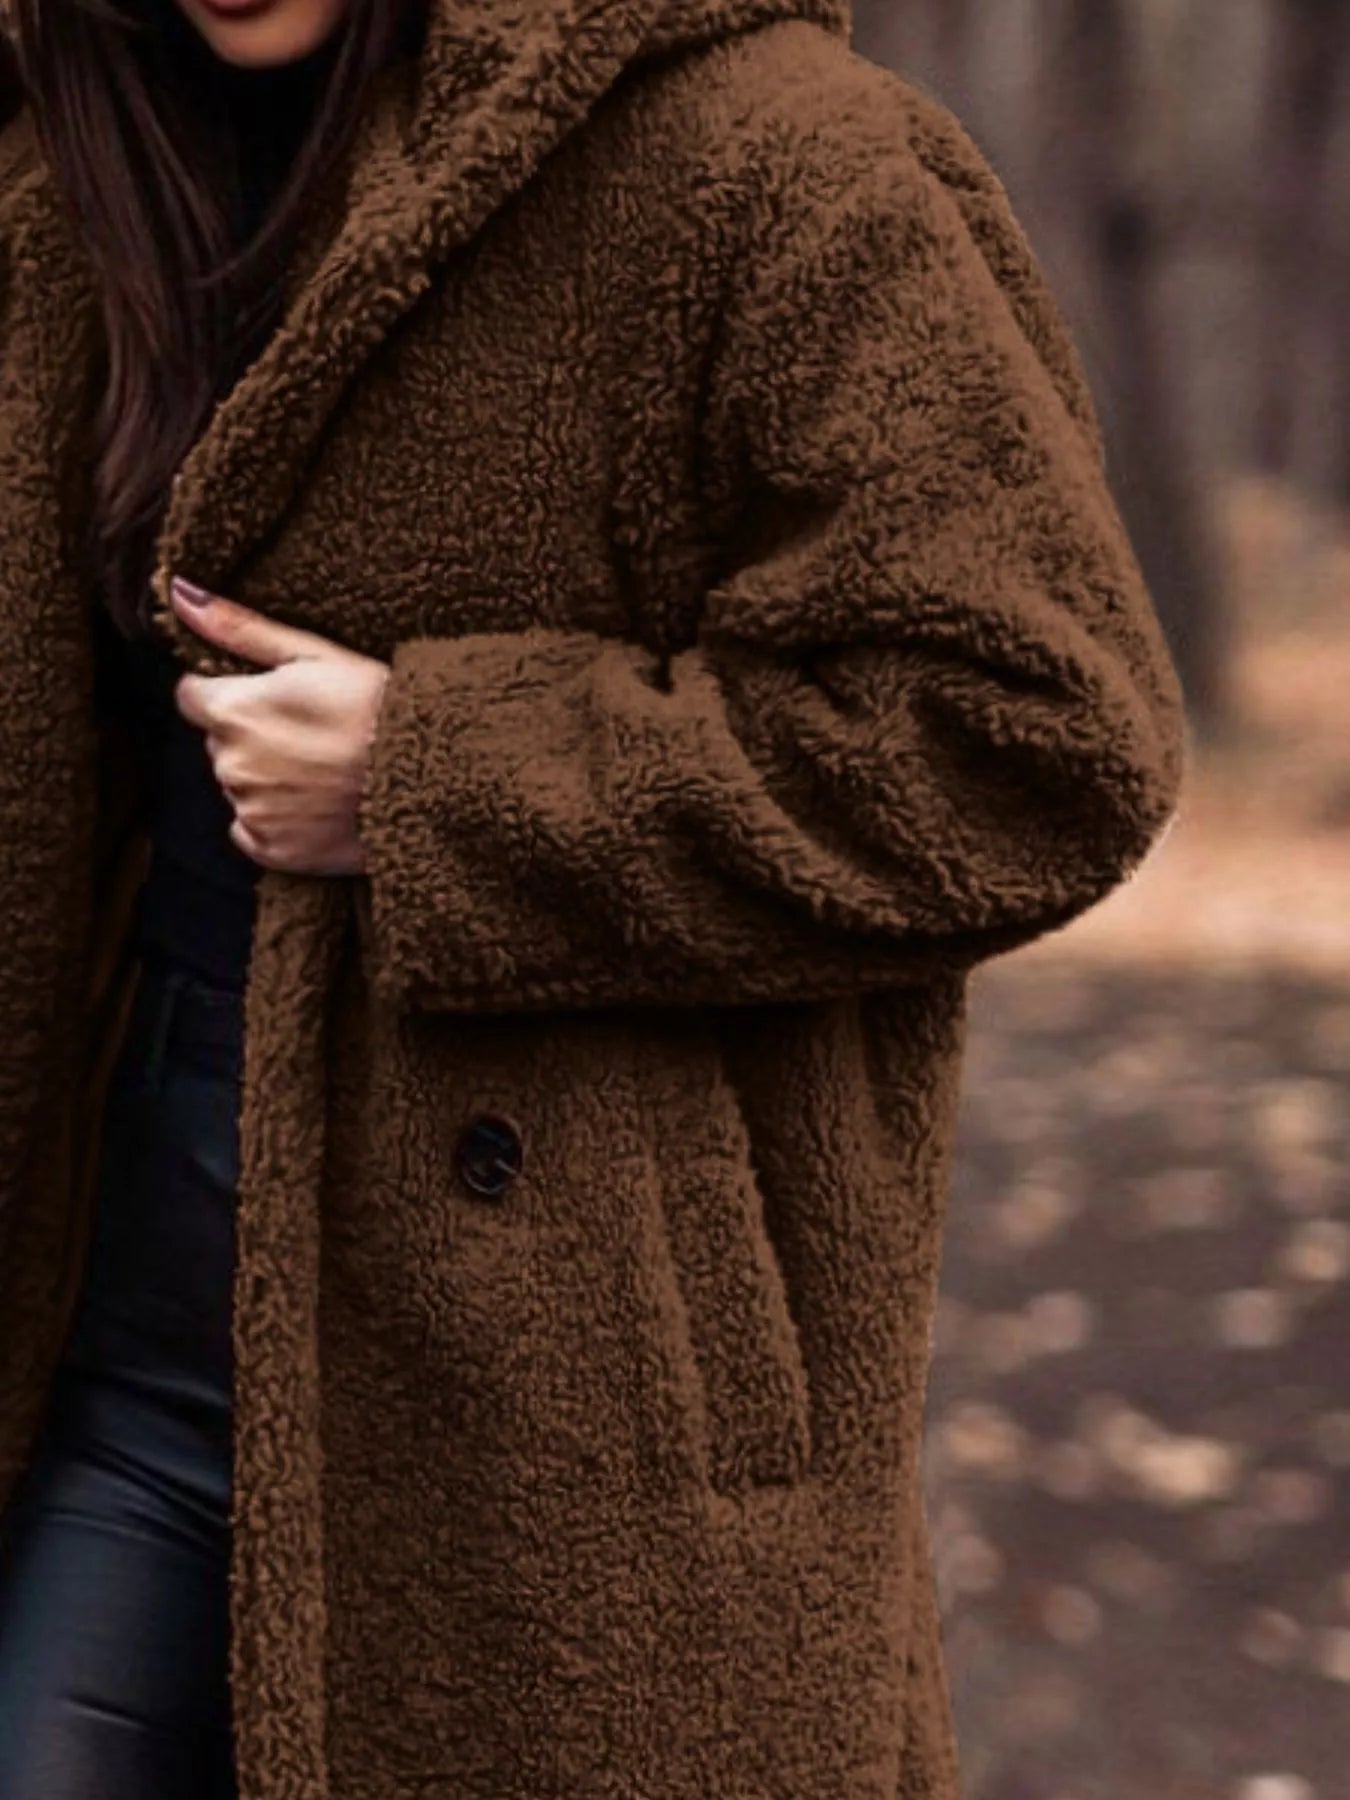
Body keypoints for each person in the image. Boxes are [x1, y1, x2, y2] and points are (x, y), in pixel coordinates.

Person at [0, 0, 1187, 1794]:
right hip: (115, 1325)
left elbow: (1036, 734)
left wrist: (441, 785)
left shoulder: (774, 162)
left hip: (572, 1405)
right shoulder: (66, 186)